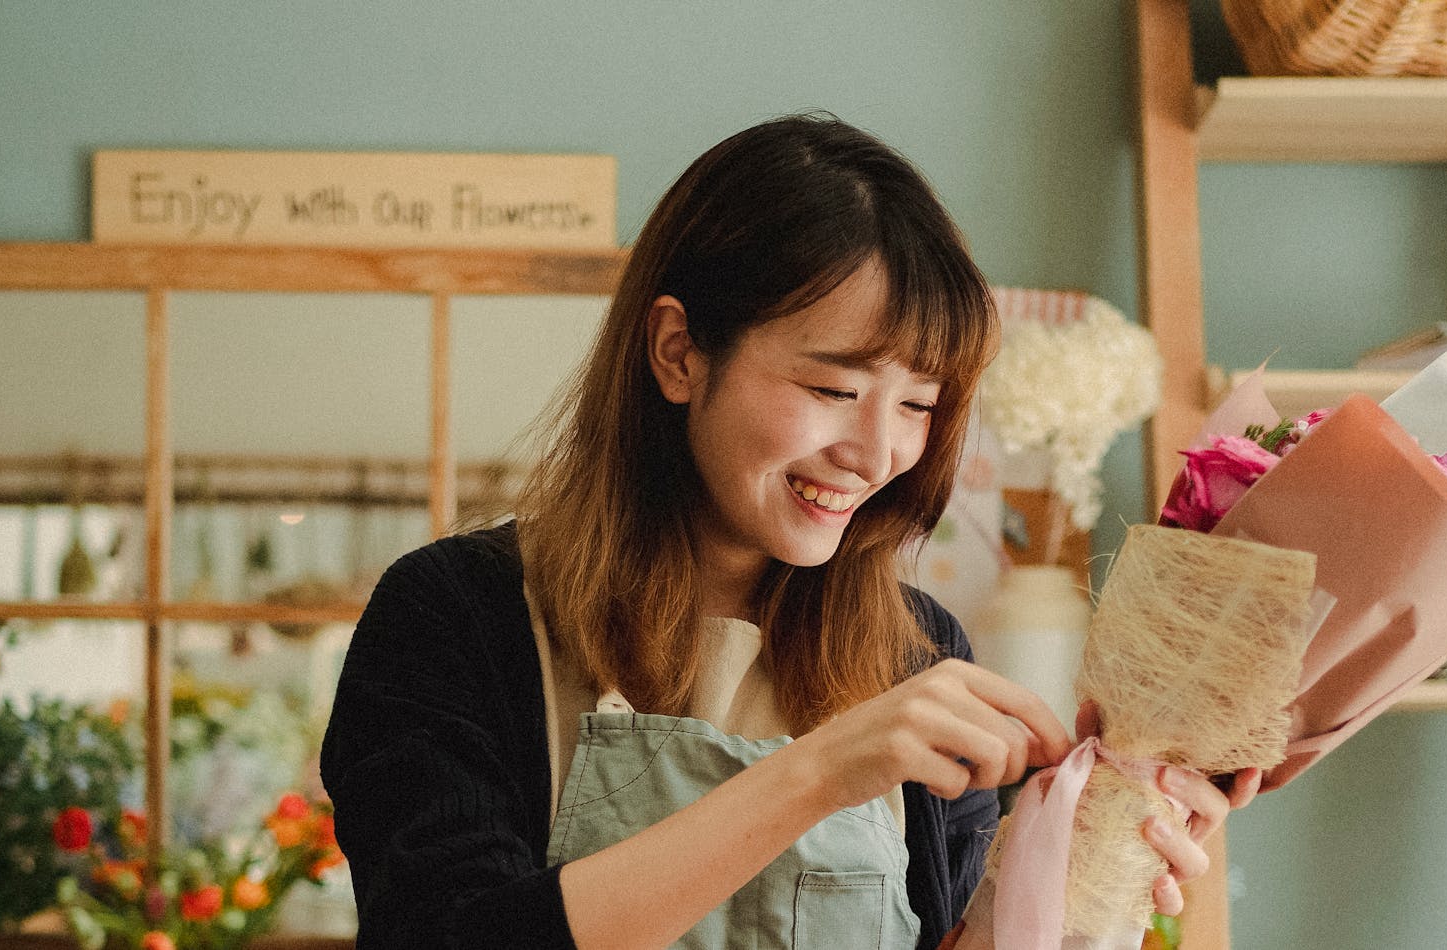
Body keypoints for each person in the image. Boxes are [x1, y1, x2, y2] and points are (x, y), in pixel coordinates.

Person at [319, 113, 1254, 950]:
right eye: (833, 390)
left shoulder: (916, 652)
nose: (877, 451)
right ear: (679, 353)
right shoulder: (455, 615)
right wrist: (819, 772)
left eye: (919, 404)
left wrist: (1060, 874)